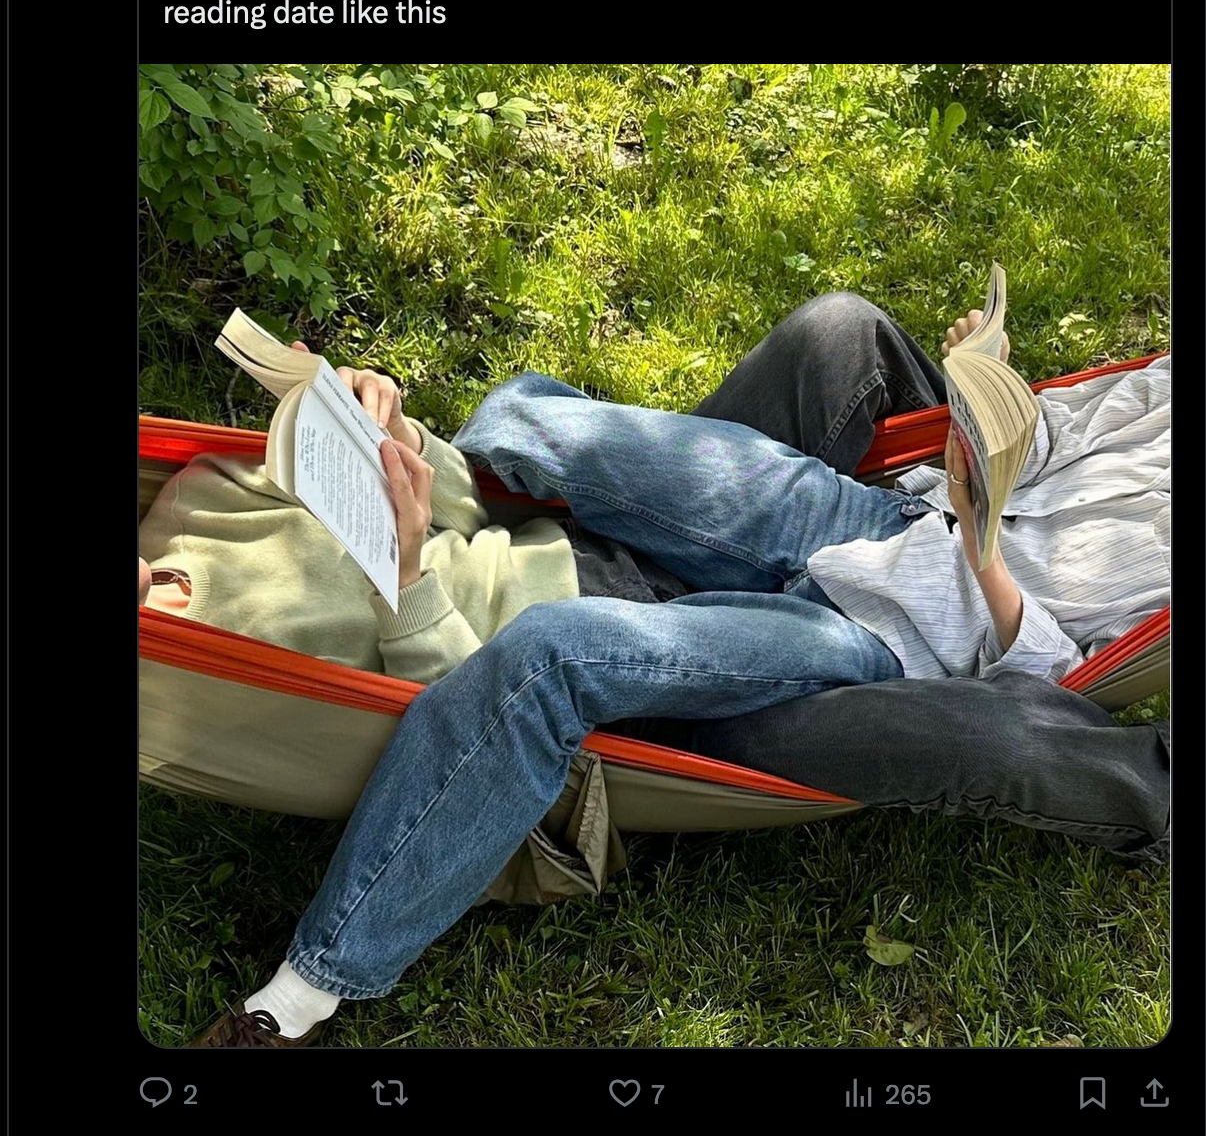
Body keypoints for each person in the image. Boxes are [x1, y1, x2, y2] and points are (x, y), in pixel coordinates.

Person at [139, 294, 1168, 1045]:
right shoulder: (1158, 394)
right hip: (883, 515)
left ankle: (307, 990)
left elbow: (1054, 665)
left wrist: (986, 556)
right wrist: (986, 396)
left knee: (549, 652)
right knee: (520, 419)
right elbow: (1051, 431)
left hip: (890, 629)